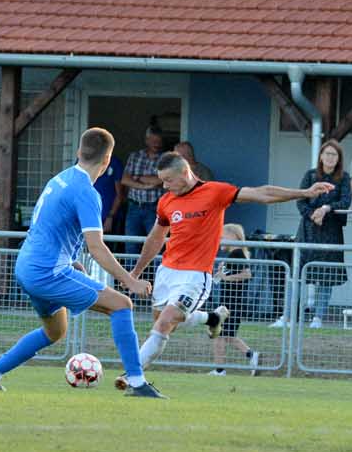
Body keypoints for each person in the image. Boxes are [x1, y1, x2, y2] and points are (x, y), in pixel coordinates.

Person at [0, 127, 160, 396]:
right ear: (107, 161)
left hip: (27, 266)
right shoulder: (86, 192)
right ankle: (137, 382)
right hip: (48, 272)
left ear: (78, 153)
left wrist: (71, 261)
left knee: (54, 332)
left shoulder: (60, 179)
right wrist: (130, 280)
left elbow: (48, 227)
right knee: (121, 304)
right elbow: (96, 247)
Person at [122, 152, 334, 385]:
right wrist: (136, 272)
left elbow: (261, 193)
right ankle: (211, 318)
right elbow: (155, 237)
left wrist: (303, 193)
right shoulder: (166, 202)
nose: (164, 185)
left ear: (185, 172)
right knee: (165, 322)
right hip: (167, 271)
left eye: (168, 180)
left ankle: (132, 375)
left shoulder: (215, 192)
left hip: (195, 275)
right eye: (162, 180)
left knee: (166, 321)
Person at [294, 139, 352, 329]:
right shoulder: (310, 176)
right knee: (299, 274)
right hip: (308, 231)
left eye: (334, 155)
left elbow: (345, 202)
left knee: (326, 275)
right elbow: (300, 200)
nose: (330, 158)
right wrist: (312, 214)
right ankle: (290, 316)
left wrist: (325, 209)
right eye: (327, 154)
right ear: (320, 156)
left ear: (339, 159)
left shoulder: (343, 178)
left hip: (331, 232)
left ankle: (318, 317)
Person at [208, 223, 260, 376]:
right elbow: (222, 278)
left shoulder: (238, 253)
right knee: (227, 336)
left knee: (219, 335)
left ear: (233, 237)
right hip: (228, 303)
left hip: (233, 303)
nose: (220, 240)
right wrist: (220, 273)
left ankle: (220, 370)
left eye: (222, 237)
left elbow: (247, 274)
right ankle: (251, 355)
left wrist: (226, 277)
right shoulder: (232, 256)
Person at [120, 126, 167, 239]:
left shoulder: (165, 158)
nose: (157, 144)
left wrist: (137, 178)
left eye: (159, 141)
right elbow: (125, 179)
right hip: (134, 206)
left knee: (155, 243)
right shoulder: (135, 156)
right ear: (147, 141)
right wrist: (145, 186)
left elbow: (162, 180)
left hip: (154, 207)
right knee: (131, 243)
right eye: (154, 141)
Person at [92, 155, 124, 233]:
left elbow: (119, 194)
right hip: (89, 214)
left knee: (107, 242)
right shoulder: (85, 160)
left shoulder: (115, 162)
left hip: (107, 215)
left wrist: (110, 216)